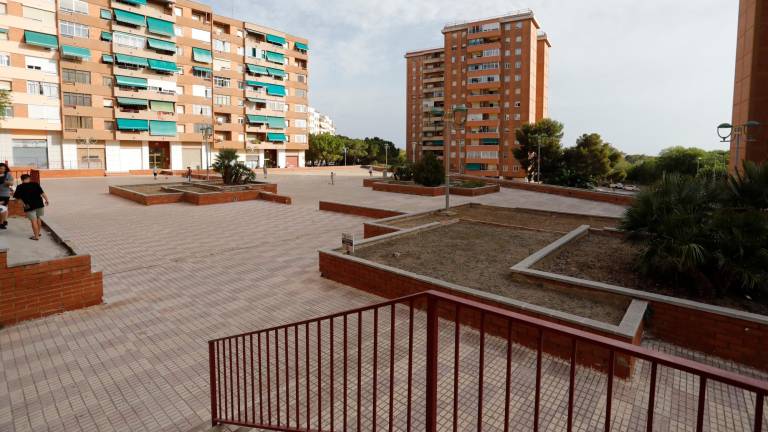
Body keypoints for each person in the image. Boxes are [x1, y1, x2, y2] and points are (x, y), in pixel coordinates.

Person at [12, 174, 48, 241]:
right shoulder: (35, 184)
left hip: (28, 206)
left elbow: (18, 198)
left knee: (33, 221)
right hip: (39, 204)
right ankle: (38, 233)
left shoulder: (20, 187)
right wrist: (46, 200)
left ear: (22, 179)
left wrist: (23, 204)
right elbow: (42, 193)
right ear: (29, 178)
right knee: (38, 218)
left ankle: (36, 236)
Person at [0, 163, 13, 230]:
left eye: (3, 168)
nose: (2, 170)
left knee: (2, 209)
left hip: (4, 194)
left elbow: (12, 183)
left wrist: (6, 182)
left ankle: (2, 223)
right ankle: (4, 221)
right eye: (1, 168)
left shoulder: (8, 174)